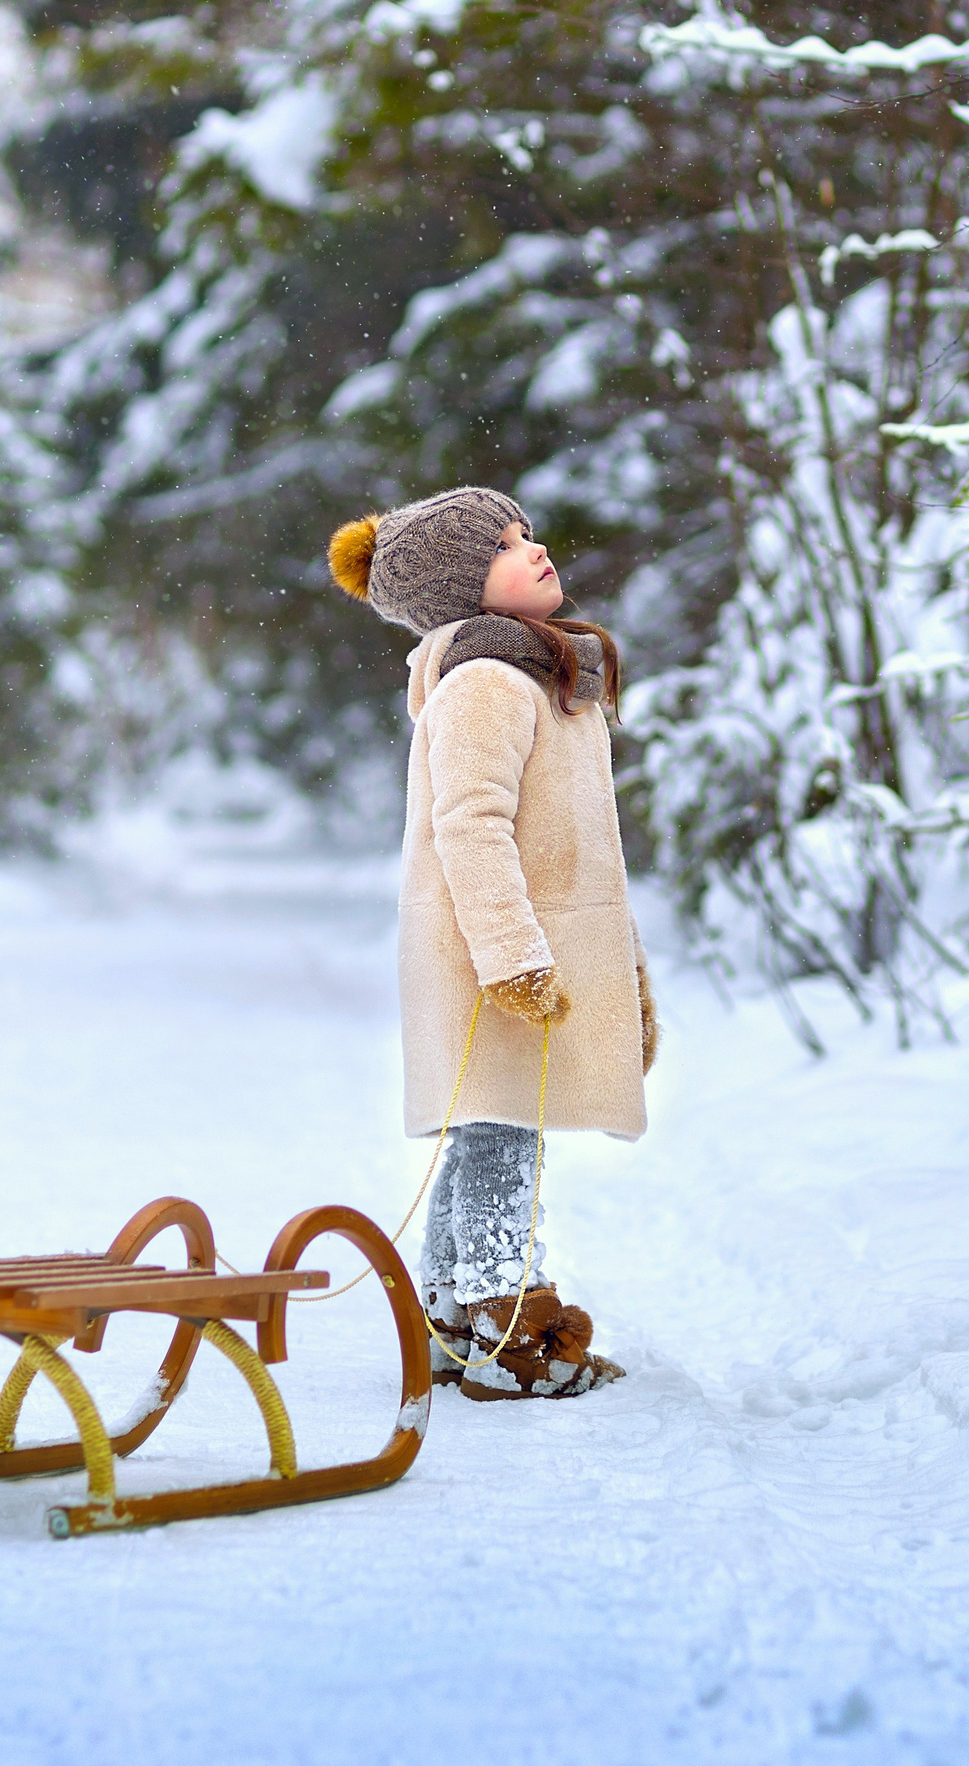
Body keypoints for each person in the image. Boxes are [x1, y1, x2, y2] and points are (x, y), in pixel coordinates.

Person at [327, 485, 654, 1399]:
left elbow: (593, 857)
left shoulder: (534, 677)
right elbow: (468, 827)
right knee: (502, 1138)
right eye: (506, 545)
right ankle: (508, 1328)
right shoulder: (484, 684)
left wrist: (631, 980)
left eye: (528, 531)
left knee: (490, 1134)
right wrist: (512, 956)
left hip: (529, 952)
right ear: (463, 590)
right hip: (496, 955)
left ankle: (452, 1314)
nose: (536, 547)